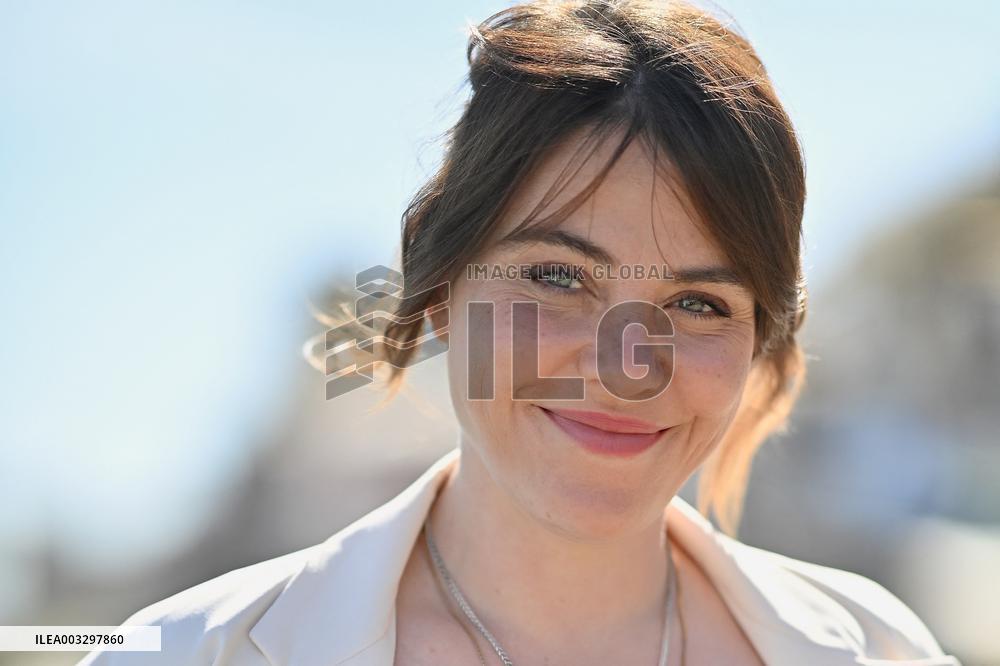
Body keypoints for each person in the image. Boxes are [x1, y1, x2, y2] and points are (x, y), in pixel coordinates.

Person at [80, 1, 961, 664]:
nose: (626, 367)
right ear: (439, 284)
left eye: (699, 303)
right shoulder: (190, 652)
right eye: (559, 277)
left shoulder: (881, 652)